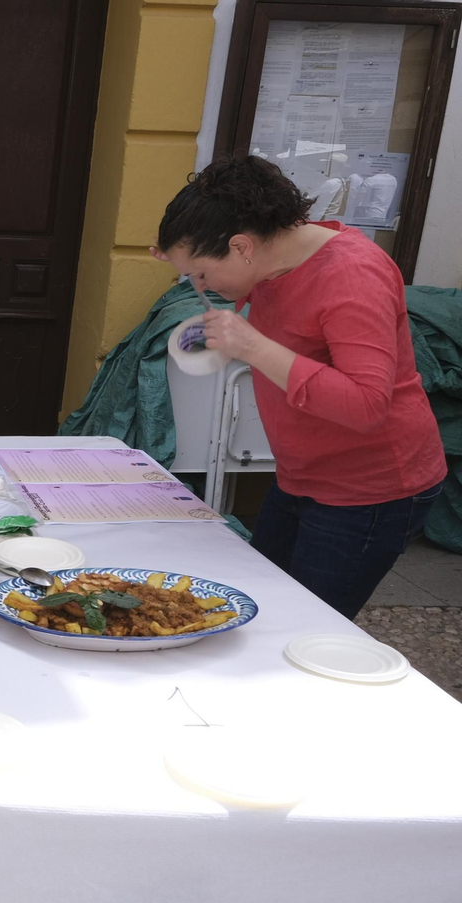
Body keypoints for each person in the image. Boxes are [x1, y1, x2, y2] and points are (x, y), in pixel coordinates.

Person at [154, 155, 446, 620]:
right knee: (255, 610)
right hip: (300, 474)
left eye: (202, 274)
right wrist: (180, 252)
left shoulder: (352, 274)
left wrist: (252, 346)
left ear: (242, 246)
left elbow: (367, 403)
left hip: (369, 489)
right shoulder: (270, 259)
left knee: (301, 627)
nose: (199, 287)